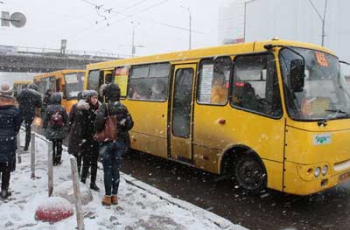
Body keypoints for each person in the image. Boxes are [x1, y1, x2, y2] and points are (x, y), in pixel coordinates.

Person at [95, 83, 134, 206]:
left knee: (107, 169)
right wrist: (120, 126)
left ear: (107, 94)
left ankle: (107, 197)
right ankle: (115, 196)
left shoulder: (105, 107)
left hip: (107, 142)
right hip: (119, 142)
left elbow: (98, 124)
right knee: (116, 168)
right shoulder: (123, 107)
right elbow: (130, 124)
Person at [0, 83, 21, 199]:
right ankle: (4, 190)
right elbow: (17, 127)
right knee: (6, 167)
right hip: (8, 141)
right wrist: (10, 133)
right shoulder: (14, 110)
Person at [77, 90, 100, 191]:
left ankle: (93, 183)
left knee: (94, 162)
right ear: (89, 99)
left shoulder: (100, 109)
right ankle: (82, 181)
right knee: (86, 161)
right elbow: (82, 125)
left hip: (95, 139)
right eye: (93, 98)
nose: (95, 100)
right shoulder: (84, 109)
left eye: (96, 98)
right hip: (86, 139)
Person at [42, 93, 68, 165]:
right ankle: (58, 159)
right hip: (60, 129)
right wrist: (66, 127)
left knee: (52, 145)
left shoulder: (48, 108)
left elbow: (45, 119)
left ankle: (53, 160)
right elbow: (65, 119)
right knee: (59, 145)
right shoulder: (62, 108)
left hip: (51, 129)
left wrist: (44, 127)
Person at [16, 84, 42, 151]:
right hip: (30, 114)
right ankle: (26, 147)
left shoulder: (23, 92)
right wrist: (38, 117)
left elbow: (17, 99)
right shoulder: (37, 95)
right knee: (28, 130)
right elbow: (38, 106)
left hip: (20, 112)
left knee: (16, 128)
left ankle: (15, 144)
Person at [68, 91, 84, 174]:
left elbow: (70, 119)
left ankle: (76, 169)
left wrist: (68, 130)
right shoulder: (89, 107)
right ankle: (81, 169)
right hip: (85, 132)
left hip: (75, 131)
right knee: (82, 152)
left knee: (75, 151)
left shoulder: (75, 106)